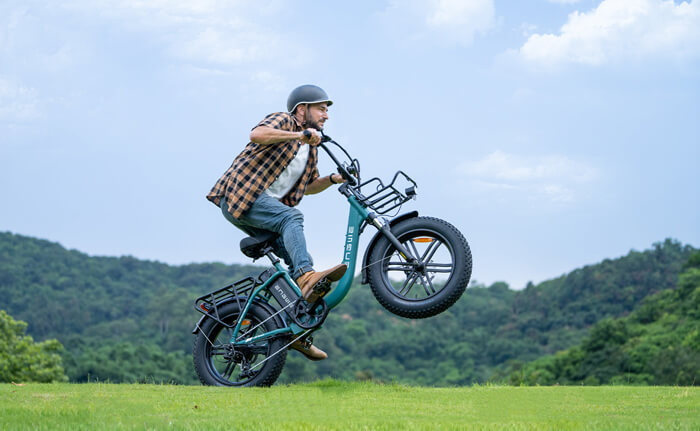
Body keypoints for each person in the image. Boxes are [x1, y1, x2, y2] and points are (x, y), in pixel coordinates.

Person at [206, 84, 347, 361]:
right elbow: (256, 134)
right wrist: (299, 134)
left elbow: (308, 186)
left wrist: (332, 179)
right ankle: (305, 277)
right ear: (301, 109)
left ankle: (294, 331)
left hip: (263, 206)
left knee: (298, 263)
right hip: (242, 197)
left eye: (327, 111)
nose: (326, 115)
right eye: (321, 109)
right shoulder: (284, 121)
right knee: (292, 219)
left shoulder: (311, 147)